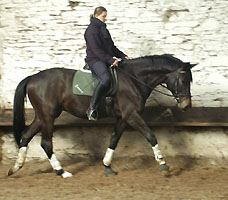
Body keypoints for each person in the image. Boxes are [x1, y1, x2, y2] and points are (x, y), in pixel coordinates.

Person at [84, 6, 129, 121]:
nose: (105, 19)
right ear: (96, 16)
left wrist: (122, 56)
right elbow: (96, 50)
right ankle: (92, 108)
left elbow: (111, 47)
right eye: (104, 16)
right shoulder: (91, 31)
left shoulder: (103, 29)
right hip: (95, 60)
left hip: (105, 59)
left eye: (106, 16)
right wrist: (111, 60)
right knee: (106, 79)